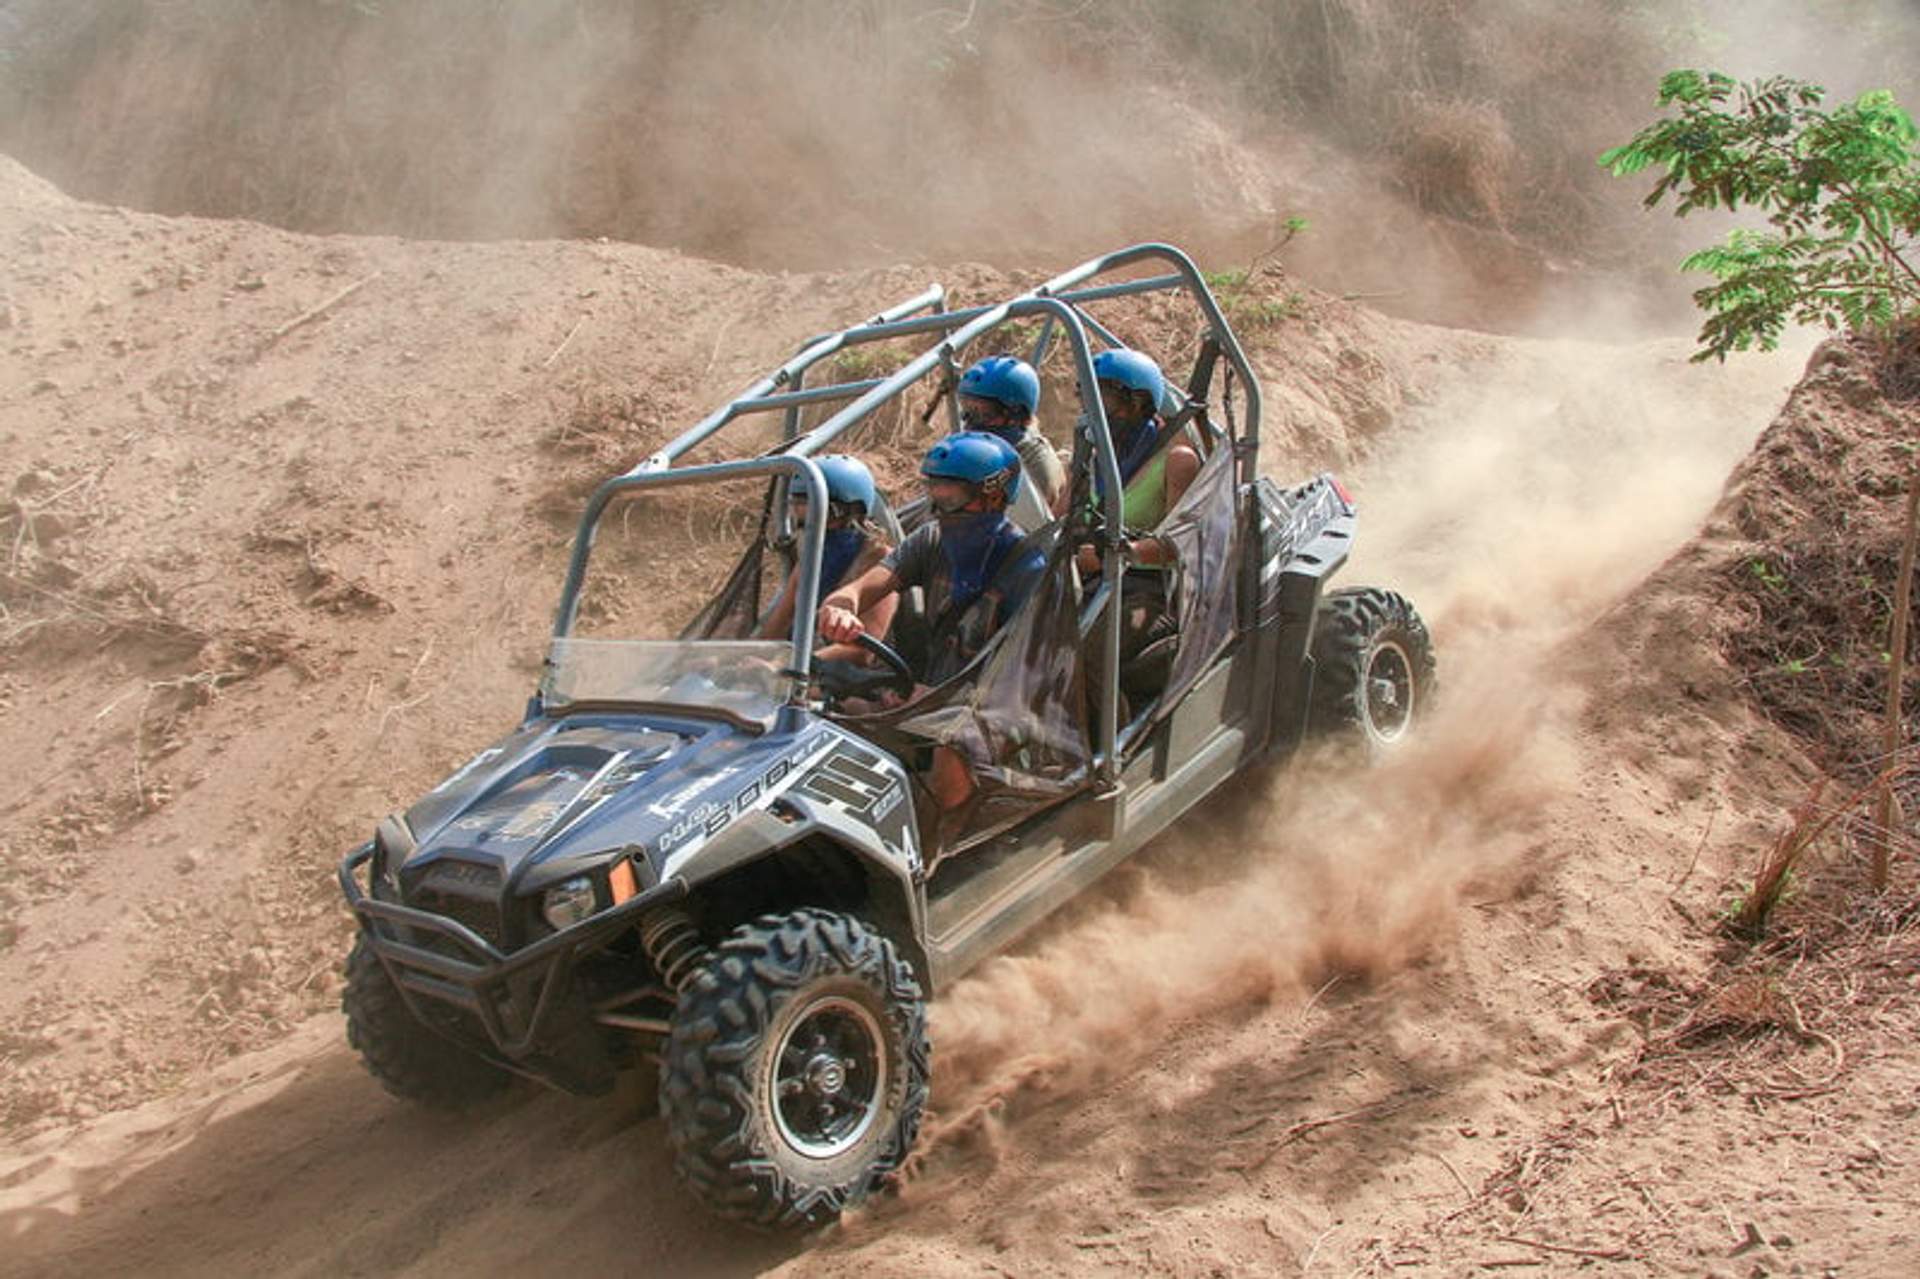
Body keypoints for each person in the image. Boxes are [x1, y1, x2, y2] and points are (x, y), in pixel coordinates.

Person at [818, 432, 1046, 811]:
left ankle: (946, 853)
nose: (939, 510)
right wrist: (840, 607)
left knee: (953, 745)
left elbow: (1029, 674)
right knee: (840, 710)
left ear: (992, 497)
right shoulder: (931, 541)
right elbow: (860, 590)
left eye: (951, 497)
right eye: (934, 494)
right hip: (934, 696)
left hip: (1006, 706)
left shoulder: (1028, 567)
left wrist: (945, 700)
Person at [1075, 349, 1202, 707]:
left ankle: (1108, 750)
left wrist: (1118, 553)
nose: (1094, 412)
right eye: (1088, 399)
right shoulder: (1094, 454)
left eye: (1106, 402)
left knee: (1089, 653)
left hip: (1150, 590)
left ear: (1138, 403)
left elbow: (1180, 547)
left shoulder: (1177, 461)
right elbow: (1058, 516)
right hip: (1093, 581)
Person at [755, 455, 895, 664]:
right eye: (800, 511)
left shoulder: (880, 562)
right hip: (804, 674)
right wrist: (741, 662)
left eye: (820, 513)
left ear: (852, 510)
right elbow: (776, 626)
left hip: (862, 683)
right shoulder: (811, 558)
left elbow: (862, 652)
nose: (809, 524)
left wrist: (784, 667)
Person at [956, 355, 1067, 515]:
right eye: (968, 410)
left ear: (1017, 415)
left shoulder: (1034, 470)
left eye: (985, 413)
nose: (970, 422)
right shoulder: (997, 449)